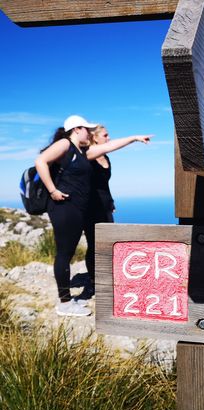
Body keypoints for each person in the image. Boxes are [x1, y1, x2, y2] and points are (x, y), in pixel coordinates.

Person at [35, 115, 151, 317]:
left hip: (76, 208)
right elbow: (41, 161)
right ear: (77, 129)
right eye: (86, 129)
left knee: (69, 252)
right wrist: (53, 190)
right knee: (65, 253)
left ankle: (69, 298)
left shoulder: (82, 152)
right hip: (63, 207)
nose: (89, 133)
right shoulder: (65, 144)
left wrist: (133, 138)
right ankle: (64, 303)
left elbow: (109, 147)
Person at [80, 125, 115, 301]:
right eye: (105, 135)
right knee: (94, 244)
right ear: (95, 137)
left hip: (105, 205)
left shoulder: (106, 157)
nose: (108, 138)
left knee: (108, 242)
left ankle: (107, 278)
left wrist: (111, 201)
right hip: (91, 207)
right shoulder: (88, 156)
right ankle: (94, 282)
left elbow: (104, 184)